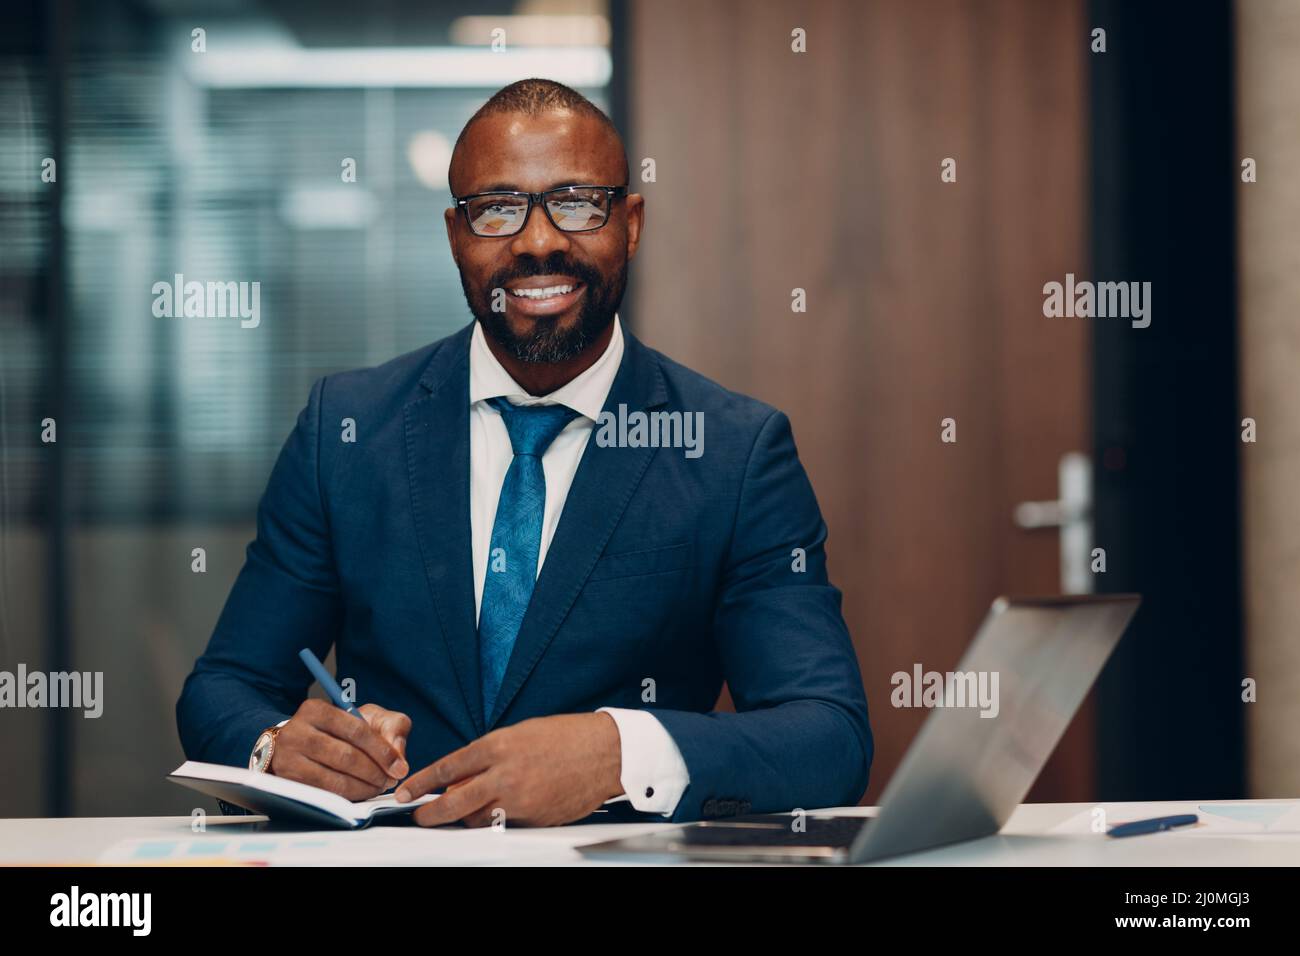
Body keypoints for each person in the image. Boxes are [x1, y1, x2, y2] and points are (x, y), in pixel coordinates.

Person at [176, 78, 871, 827]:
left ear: (630, 224)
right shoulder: (344, 430)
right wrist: (275, 745)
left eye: (576, 201)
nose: (539, 241)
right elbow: (225, 687)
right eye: (498, 209)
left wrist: (617, 751)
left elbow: (828, 736)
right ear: (454, 235)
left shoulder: (734, 453)